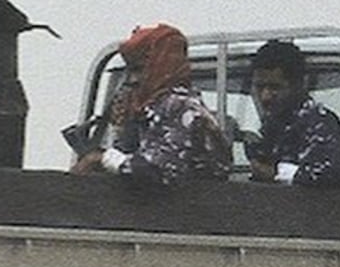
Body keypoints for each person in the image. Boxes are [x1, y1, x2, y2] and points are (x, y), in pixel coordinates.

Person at [71, 23, 231, 184]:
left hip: (192, 199)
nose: (132, 79)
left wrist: (103, 159)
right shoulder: (149, 109)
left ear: (163, 66)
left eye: (139, 70)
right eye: (130, 71)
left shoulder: (180, 107)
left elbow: (160, 170)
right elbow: (129, 154)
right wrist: (119, 131)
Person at [246, 39, 340, 187]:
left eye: (275, 87)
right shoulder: (271, 127)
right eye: (259, 87)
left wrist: (278, 173)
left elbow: (335, 175)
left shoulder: (319, 123)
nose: (265, 96)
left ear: (298, 85)